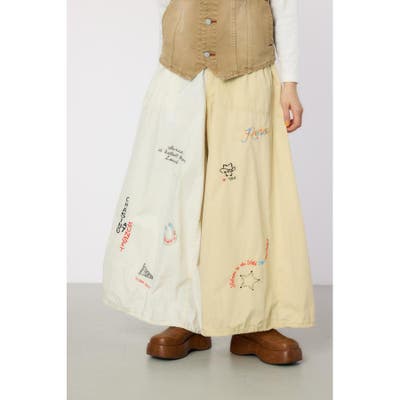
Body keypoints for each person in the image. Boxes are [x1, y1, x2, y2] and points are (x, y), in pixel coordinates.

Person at [102, 0, 315, 365]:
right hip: (181, 77)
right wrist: (175, 54)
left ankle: (253, 322)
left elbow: (285, 8)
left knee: (246, 201)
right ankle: (185, 316)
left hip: (247, 74)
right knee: (177, 198)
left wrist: (290, 83)